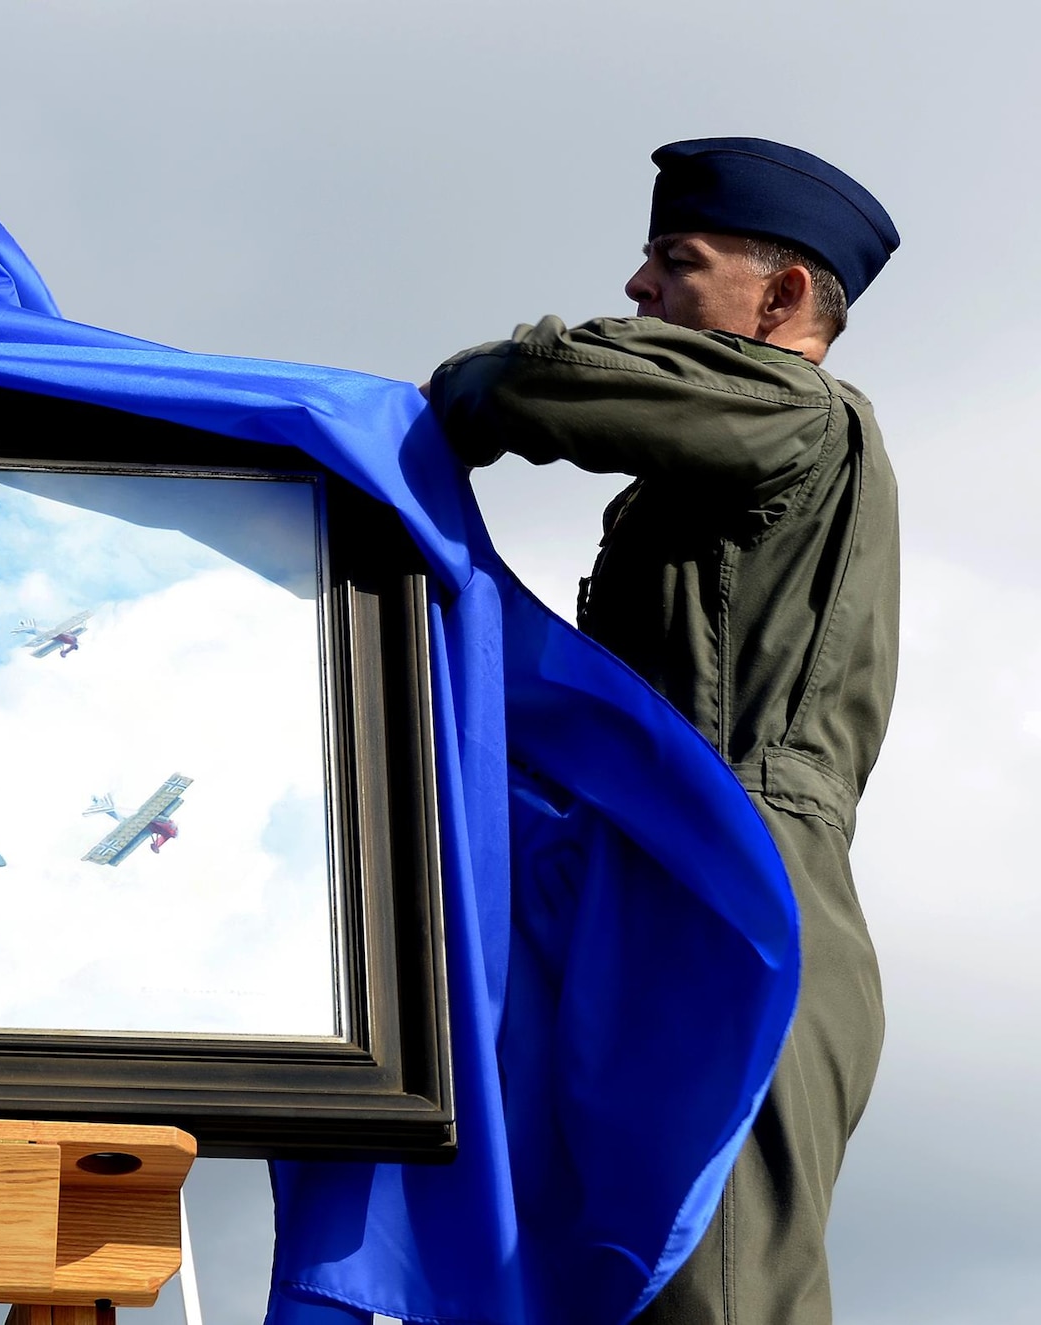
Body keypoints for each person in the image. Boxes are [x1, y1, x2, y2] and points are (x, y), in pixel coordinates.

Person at [425, 138, 902, 1323]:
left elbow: (539, 387)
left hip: (733, 873)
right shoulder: (719, 461)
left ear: (784, 294)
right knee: (602, 1271)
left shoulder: (797, 413)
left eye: (673, 261)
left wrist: (453, 394)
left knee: (712, 1281)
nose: (638, 287)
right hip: (654, 862)